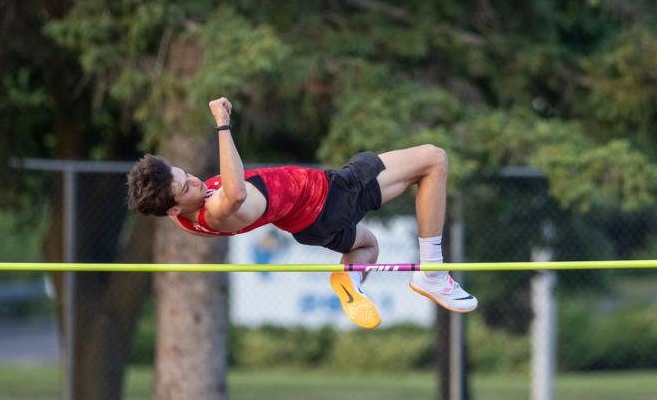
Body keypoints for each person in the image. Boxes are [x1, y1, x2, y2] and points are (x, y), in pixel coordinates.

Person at [127, 97, 477, 328]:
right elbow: (234, 193)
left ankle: (351, 281)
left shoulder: (179, 215)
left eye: (184, 173)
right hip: (332, 197)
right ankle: (431, 272)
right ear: (174, 207)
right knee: (434, 159)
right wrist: (222, 123)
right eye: (185, 187)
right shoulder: (217, 209)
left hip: (307, 225)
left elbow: (162, 195)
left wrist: (161, 181)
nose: (193, 180)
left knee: (367, 248)